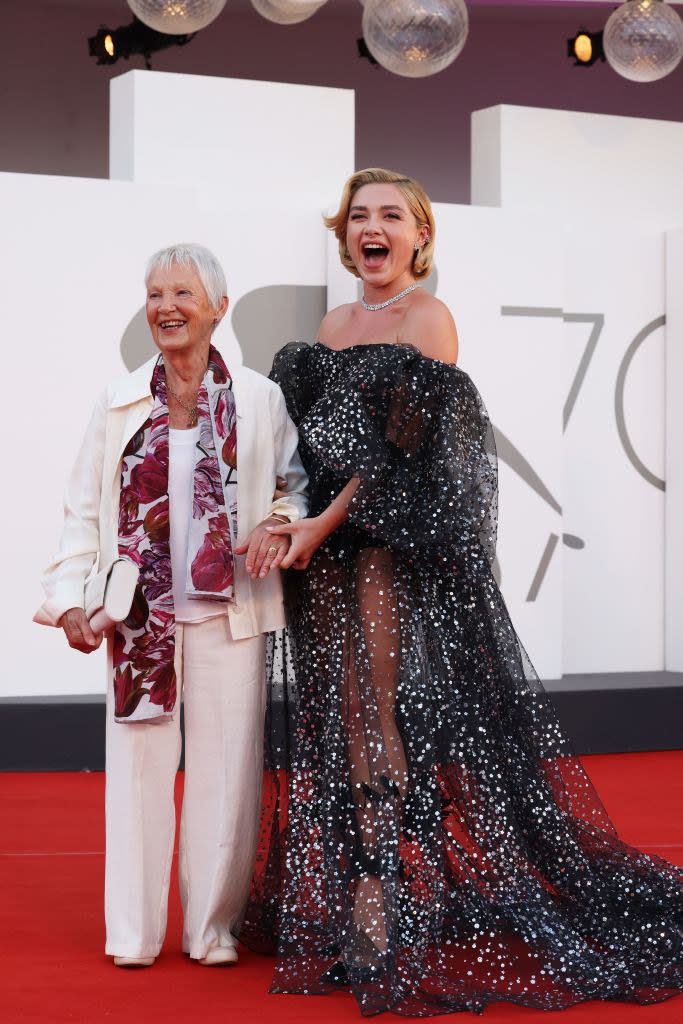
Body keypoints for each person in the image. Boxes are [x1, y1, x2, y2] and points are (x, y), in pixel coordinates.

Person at [240, 170, 683, 1015]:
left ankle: (381, 901)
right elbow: (307, 450)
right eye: (359, 217)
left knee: (375, 714)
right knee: (338, 717)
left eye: (390, 218)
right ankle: (366, 894)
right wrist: (289, 520)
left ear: (418, 237)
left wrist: (322, 527)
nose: (373, 229)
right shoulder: (332, 325)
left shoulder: (428, 318)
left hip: (386, 554)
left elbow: (395, 458)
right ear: (344, 237)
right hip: (322, 559)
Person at [35, 243, 308, 969]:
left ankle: (212, 928)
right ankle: (131, 933)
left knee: (226, 773)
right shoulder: (118, 398)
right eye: (155, 294)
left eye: (182, 293)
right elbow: (81, 513)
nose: (166, 307)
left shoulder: (259, 397)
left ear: (218, 306)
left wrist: (278, 524)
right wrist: (68, 602)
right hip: (138, 618)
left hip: (231, 612)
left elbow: (293, 486)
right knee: (135, 773)